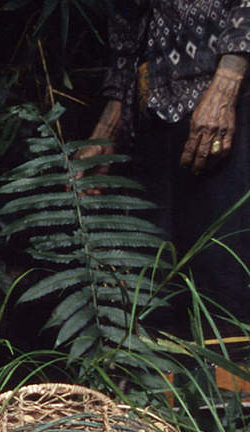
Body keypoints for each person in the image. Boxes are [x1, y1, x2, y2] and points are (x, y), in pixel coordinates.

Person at [79, 1, 250, 329]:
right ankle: (166, 379)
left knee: (227, 287)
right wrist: (108, 128)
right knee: (158, 292)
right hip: (152, 110)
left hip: (232, 104)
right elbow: (127, 21)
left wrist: (228, 80)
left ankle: (232, 381)